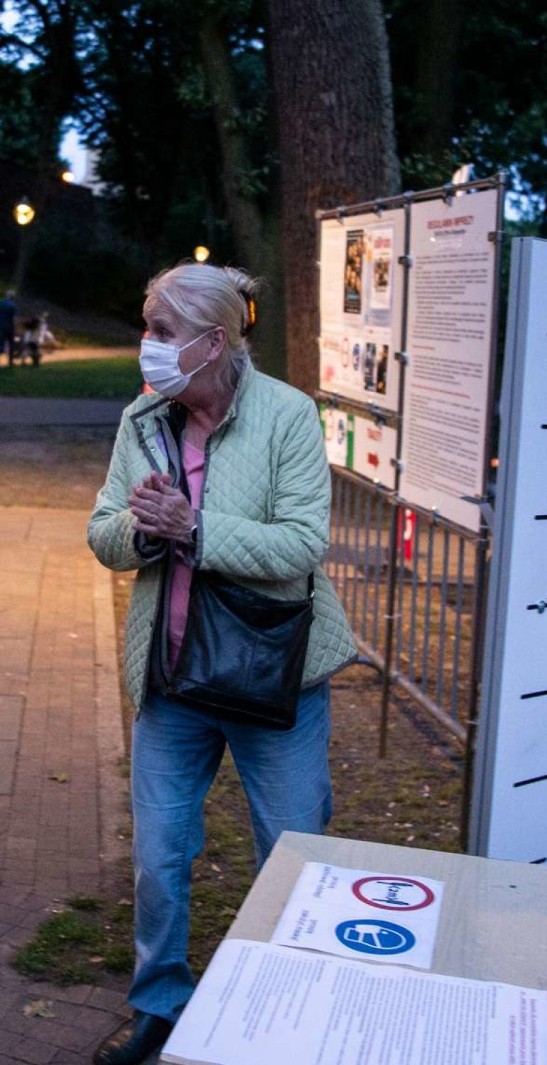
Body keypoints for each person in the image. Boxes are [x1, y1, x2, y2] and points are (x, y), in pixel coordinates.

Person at [87, 262, 356, 1065]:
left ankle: (289, 1010)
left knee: (294, 858)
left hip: (276, 681)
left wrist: (193, 529)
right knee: (160, 856)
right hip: (172, 682)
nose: (148, 347)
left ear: (213, 342)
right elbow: (103, 529)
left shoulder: (287, 415)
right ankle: (161, 1007)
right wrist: (141, 530)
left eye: (163, 332)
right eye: (146, 326)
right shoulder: (142, 419)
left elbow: (303, 545)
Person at [0, 289, 16, 364]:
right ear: (12, 297)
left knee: (1, 343)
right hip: (9, 327)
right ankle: (10, 361)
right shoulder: (13, 305)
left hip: (1, 326)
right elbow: (13, 318)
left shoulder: (1, 303)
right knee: (11, 344)